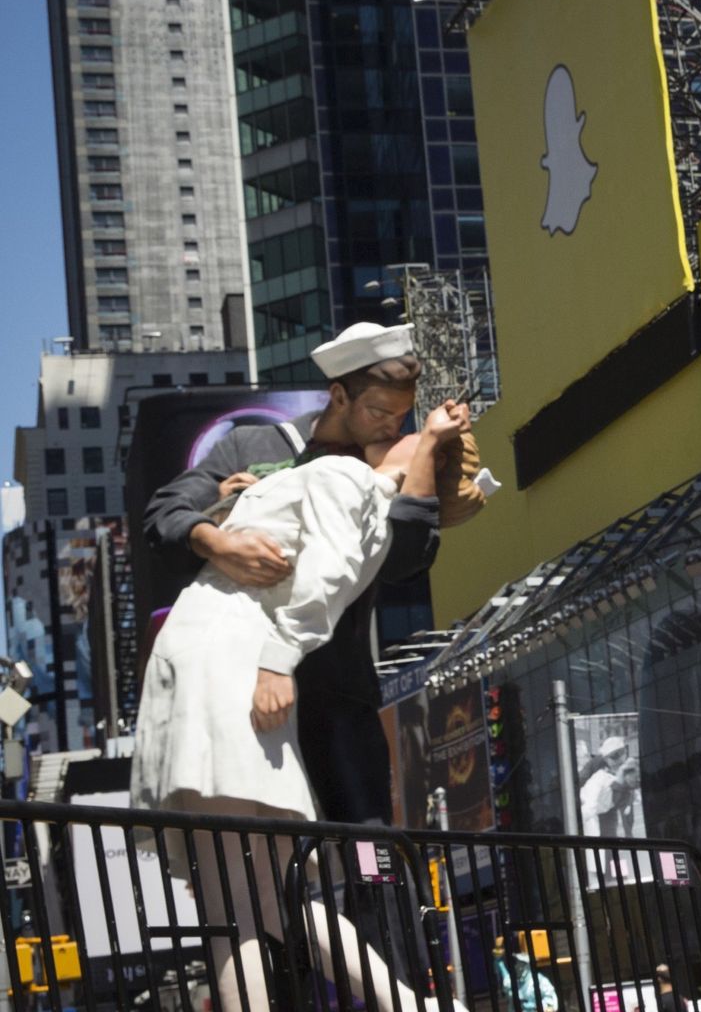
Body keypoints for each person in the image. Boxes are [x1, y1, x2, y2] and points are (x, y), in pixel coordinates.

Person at [130, 403, 483, 1012]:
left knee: (237, 908)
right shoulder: (349, 490)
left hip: (222, 660)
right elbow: (173, 515)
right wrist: (224, 508)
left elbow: (319, 582)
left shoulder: (349, 482)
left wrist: (273, 657)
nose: (391, 430)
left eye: (403, 429)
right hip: (231, 666)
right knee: (270, 901)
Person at [144, 322, 448, 826]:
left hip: (337, 691)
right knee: (260, 848)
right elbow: (165, 513)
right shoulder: (254, 446)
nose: (390, 428)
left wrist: (421, 466)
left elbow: (407, 561)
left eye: (401, 416)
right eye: (378, 411)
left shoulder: (391, 466)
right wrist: (217, 539)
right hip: (240, 688)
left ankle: (378, 905)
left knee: (368, 849)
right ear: (338, 396)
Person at [497, 935, 560, 1012]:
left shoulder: (540, 981)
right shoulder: (511, 981)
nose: (517, 967)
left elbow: (551, 1002)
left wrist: (536, 1006)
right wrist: (499, 960)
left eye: (521, 964)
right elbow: (504, 976)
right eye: (517, 963)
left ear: (527, 965)